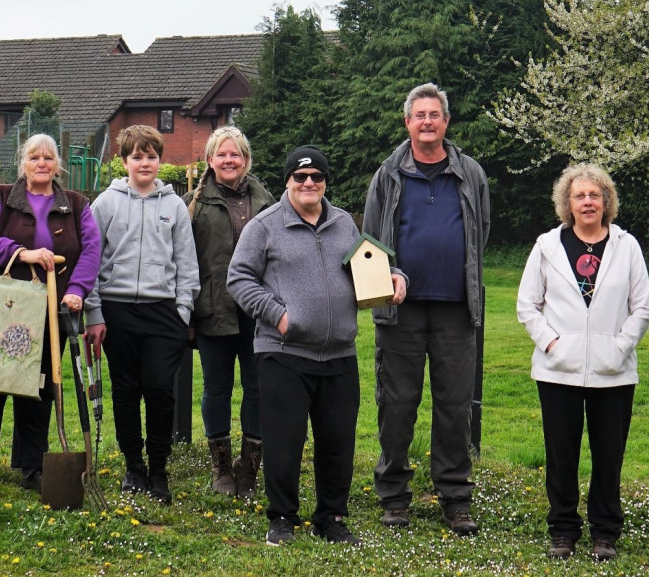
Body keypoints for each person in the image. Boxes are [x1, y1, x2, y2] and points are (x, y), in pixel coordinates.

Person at [228, 146, 407, 546]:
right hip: (284, 353)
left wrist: (395, 276)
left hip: (339, 354)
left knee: (337, 443)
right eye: (300, 177)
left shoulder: (343, 223)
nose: (309, 184)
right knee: (284, 442)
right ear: (288, 181)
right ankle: (282, 519)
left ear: (326, 181)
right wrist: (279, 315)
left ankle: (331, 518)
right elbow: (238, 278)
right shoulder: (265, 226)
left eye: (317, 177)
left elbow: (367, 262)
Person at [362, 82, 490, 536]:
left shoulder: (471, 174)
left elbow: (481, 233)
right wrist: (387, 282)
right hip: (401, 313)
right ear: (408, 122)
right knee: (396, 406)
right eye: (420, 115)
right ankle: (393, 495)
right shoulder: (387, 174)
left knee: (455, 409)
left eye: (435, 114)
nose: (428, 122)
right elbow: (372, 242)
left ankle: (455, 497)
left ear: (446, 122)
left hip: (457, 311)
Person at [516, 163, 649, 560]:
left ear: (606, 201)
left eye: (595, 195)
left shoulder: (627, 246)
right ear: (567, 203)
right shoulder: (547, 246)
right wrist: (553, 344)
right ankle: (563, 529)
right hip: (558, 370)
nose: (588, 202)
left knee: (609, 457)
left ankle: (605, 532)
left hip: (614, 373)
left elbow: (642, 308)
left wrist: (619, 347)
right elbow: (528, 305)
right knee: (561, 456)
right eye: (580, 196)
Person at [0, 133, 100, 491]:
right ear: (23, 163)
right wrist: (22, 253)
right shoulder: (1, 197)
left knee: (39, 387)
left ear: (57, 165)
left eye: (48, 158)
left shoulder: (77, 205)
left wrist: (77, 291)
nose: (41, 164)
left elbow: (91, 251)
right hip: (3, 307)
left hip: (51, 310)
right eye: (34, 157)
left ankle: (32, 464)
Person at [84, 125, 199, 502]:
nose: (144, 163)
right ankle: (134, 466)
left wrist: (182, 311)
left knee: (161, 392)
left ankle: (159, 468)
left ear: (160, 160)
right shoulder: (106, 203)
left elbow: (186, 264)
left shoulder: (175, 206)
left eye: (151, 156)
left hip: (163, 313)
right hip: (117, 312)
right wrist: (95, 312)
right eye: (137, 156)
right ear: (124, 161)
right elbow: (92, 262)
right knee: (126, 391)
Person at [183, 126, 275, 498]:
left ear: (246, 159)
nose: (229, 160)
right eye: (221, 154)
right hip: (213, 309)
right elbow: (184, 261)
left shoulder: (268, 202)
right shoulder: (193, 203)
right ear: (209, 160)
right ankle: (220, 466)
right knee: (216, 389)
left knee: (257, 389)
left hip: (258, 312)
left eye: (235, 154)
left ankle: (249, 465)